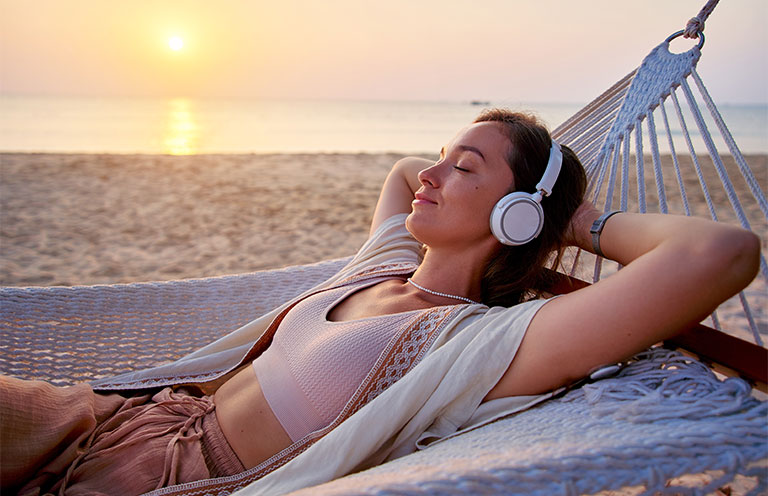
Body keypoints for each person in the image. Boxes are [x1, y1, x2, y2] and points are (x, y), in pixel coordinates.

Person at [1, 109, 760, 496]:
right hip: (113, 414)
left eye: (462, 168)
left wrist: (569, 217)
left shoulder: (477, 342)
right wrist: (464, 167)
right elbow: (403, 174)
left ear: (517, 216)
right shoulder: (383, 266)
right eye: (442, 157)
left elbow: (718, 253)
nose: (429, 176)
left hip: (171, 478)